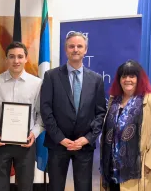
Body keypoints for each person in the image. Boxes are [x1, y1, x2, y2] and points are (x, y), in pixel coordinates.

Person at [40, 32, 106, 191]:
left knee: (84, 187)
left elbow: (100, 113)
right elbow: (45, 109)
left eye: (79, 46)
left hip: (83, 146)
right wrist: (60, 138)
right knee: (55, 187)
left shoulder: (96, 79)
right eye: (71, 46)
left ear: (86, 50)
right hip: (57, 144)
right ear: (66, 50)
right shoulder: (51, 76)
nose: (75, 49)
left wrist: (87, 138)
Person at [100, 60, 151, 191]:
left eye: (132, 76)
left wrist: (149, 163)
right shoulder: (114, 101)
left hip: (139, 174)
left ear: (139, 79)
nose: (127, 80)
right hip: (112, 171)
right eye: (124, 76)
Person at [0, 41, 44, 191]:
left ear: (26, 58)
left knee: (26, 186)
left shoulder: (37, 83)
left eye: (20, 56)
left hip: (26, 143)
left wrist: (34, 134)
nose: (16, 61)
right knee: (0, 187)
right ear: (6, 59)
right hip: (0, 143)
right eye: (12, 57)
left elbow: (41, 114)